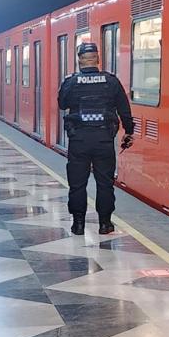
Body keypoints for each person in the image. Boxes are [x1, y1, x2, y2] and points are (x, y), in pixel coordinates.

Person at [58, 41, 133, 236]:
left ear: (79, 61)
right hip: (103, 140)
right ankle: (104, 223)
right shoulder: (111, 81)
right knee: (105, 183)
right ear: (98, 59)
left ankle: (78, 224)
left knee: (77, 184)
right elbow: (124, 109)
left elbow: (62, 104)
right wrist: (129, 131)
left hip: (79, 140)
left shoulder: (71, 81)